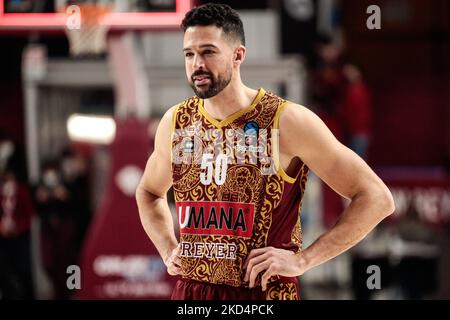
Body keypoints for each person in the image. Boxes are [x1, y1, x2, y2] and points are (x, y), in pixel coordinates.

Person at [136, 3, 395, 300]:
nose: (197, 64)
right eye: (189, 54)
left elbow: (377, 198)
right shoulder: (176, 122)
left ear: (238, 55)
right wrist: (168, 248)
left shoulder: (287, 121)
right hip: (193, 295)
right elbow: (148, 193)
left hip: (262, 295)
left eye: (208, 52)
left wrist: (303, 260)